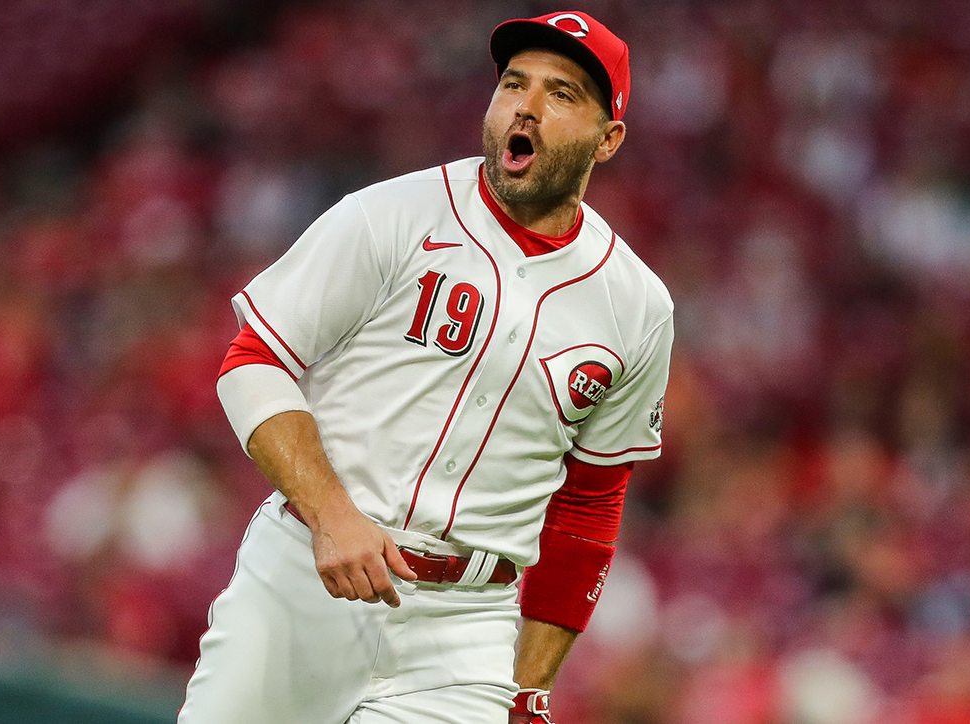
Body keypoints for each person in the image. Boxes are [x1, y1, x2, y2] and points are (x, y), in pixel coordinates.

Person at [178, 11, 672, 724]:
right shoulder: (392, 215)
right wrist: (333, 514)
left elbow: (591, 504)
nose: (526, 106)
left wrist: (530, 683)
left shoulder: (637, 307)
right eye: (513, 84)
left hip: (464, 629)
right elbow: (252, 361)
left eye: (562, 94)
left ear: (609, 139)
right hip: (301, 583)